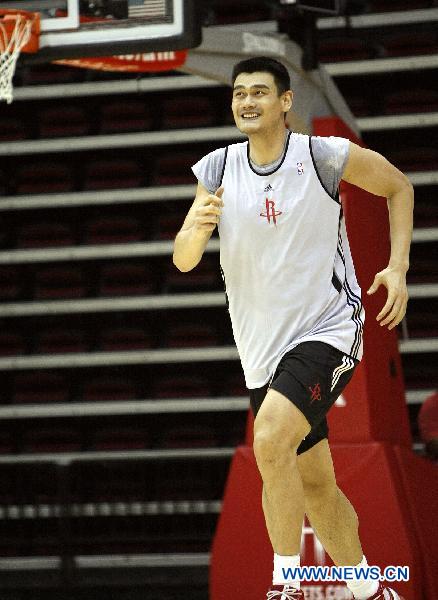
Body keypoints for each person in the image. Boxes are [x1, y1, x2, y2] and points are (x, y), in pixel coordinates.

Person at [173, 56, 413, 600]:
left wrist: (397, 266)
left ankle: (288, 586)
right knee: (318, 486)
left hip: (328, 328)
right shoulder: (217, 168)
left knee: (270, 439)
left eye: (259, 92)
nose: (247, 102)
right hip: (261, 348)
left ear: (286, 103)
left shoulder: (321, 155)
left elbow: (400, 187)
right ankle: (370, 590)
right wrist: (192, 228)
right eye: (238, 93)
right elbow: (185, 261)